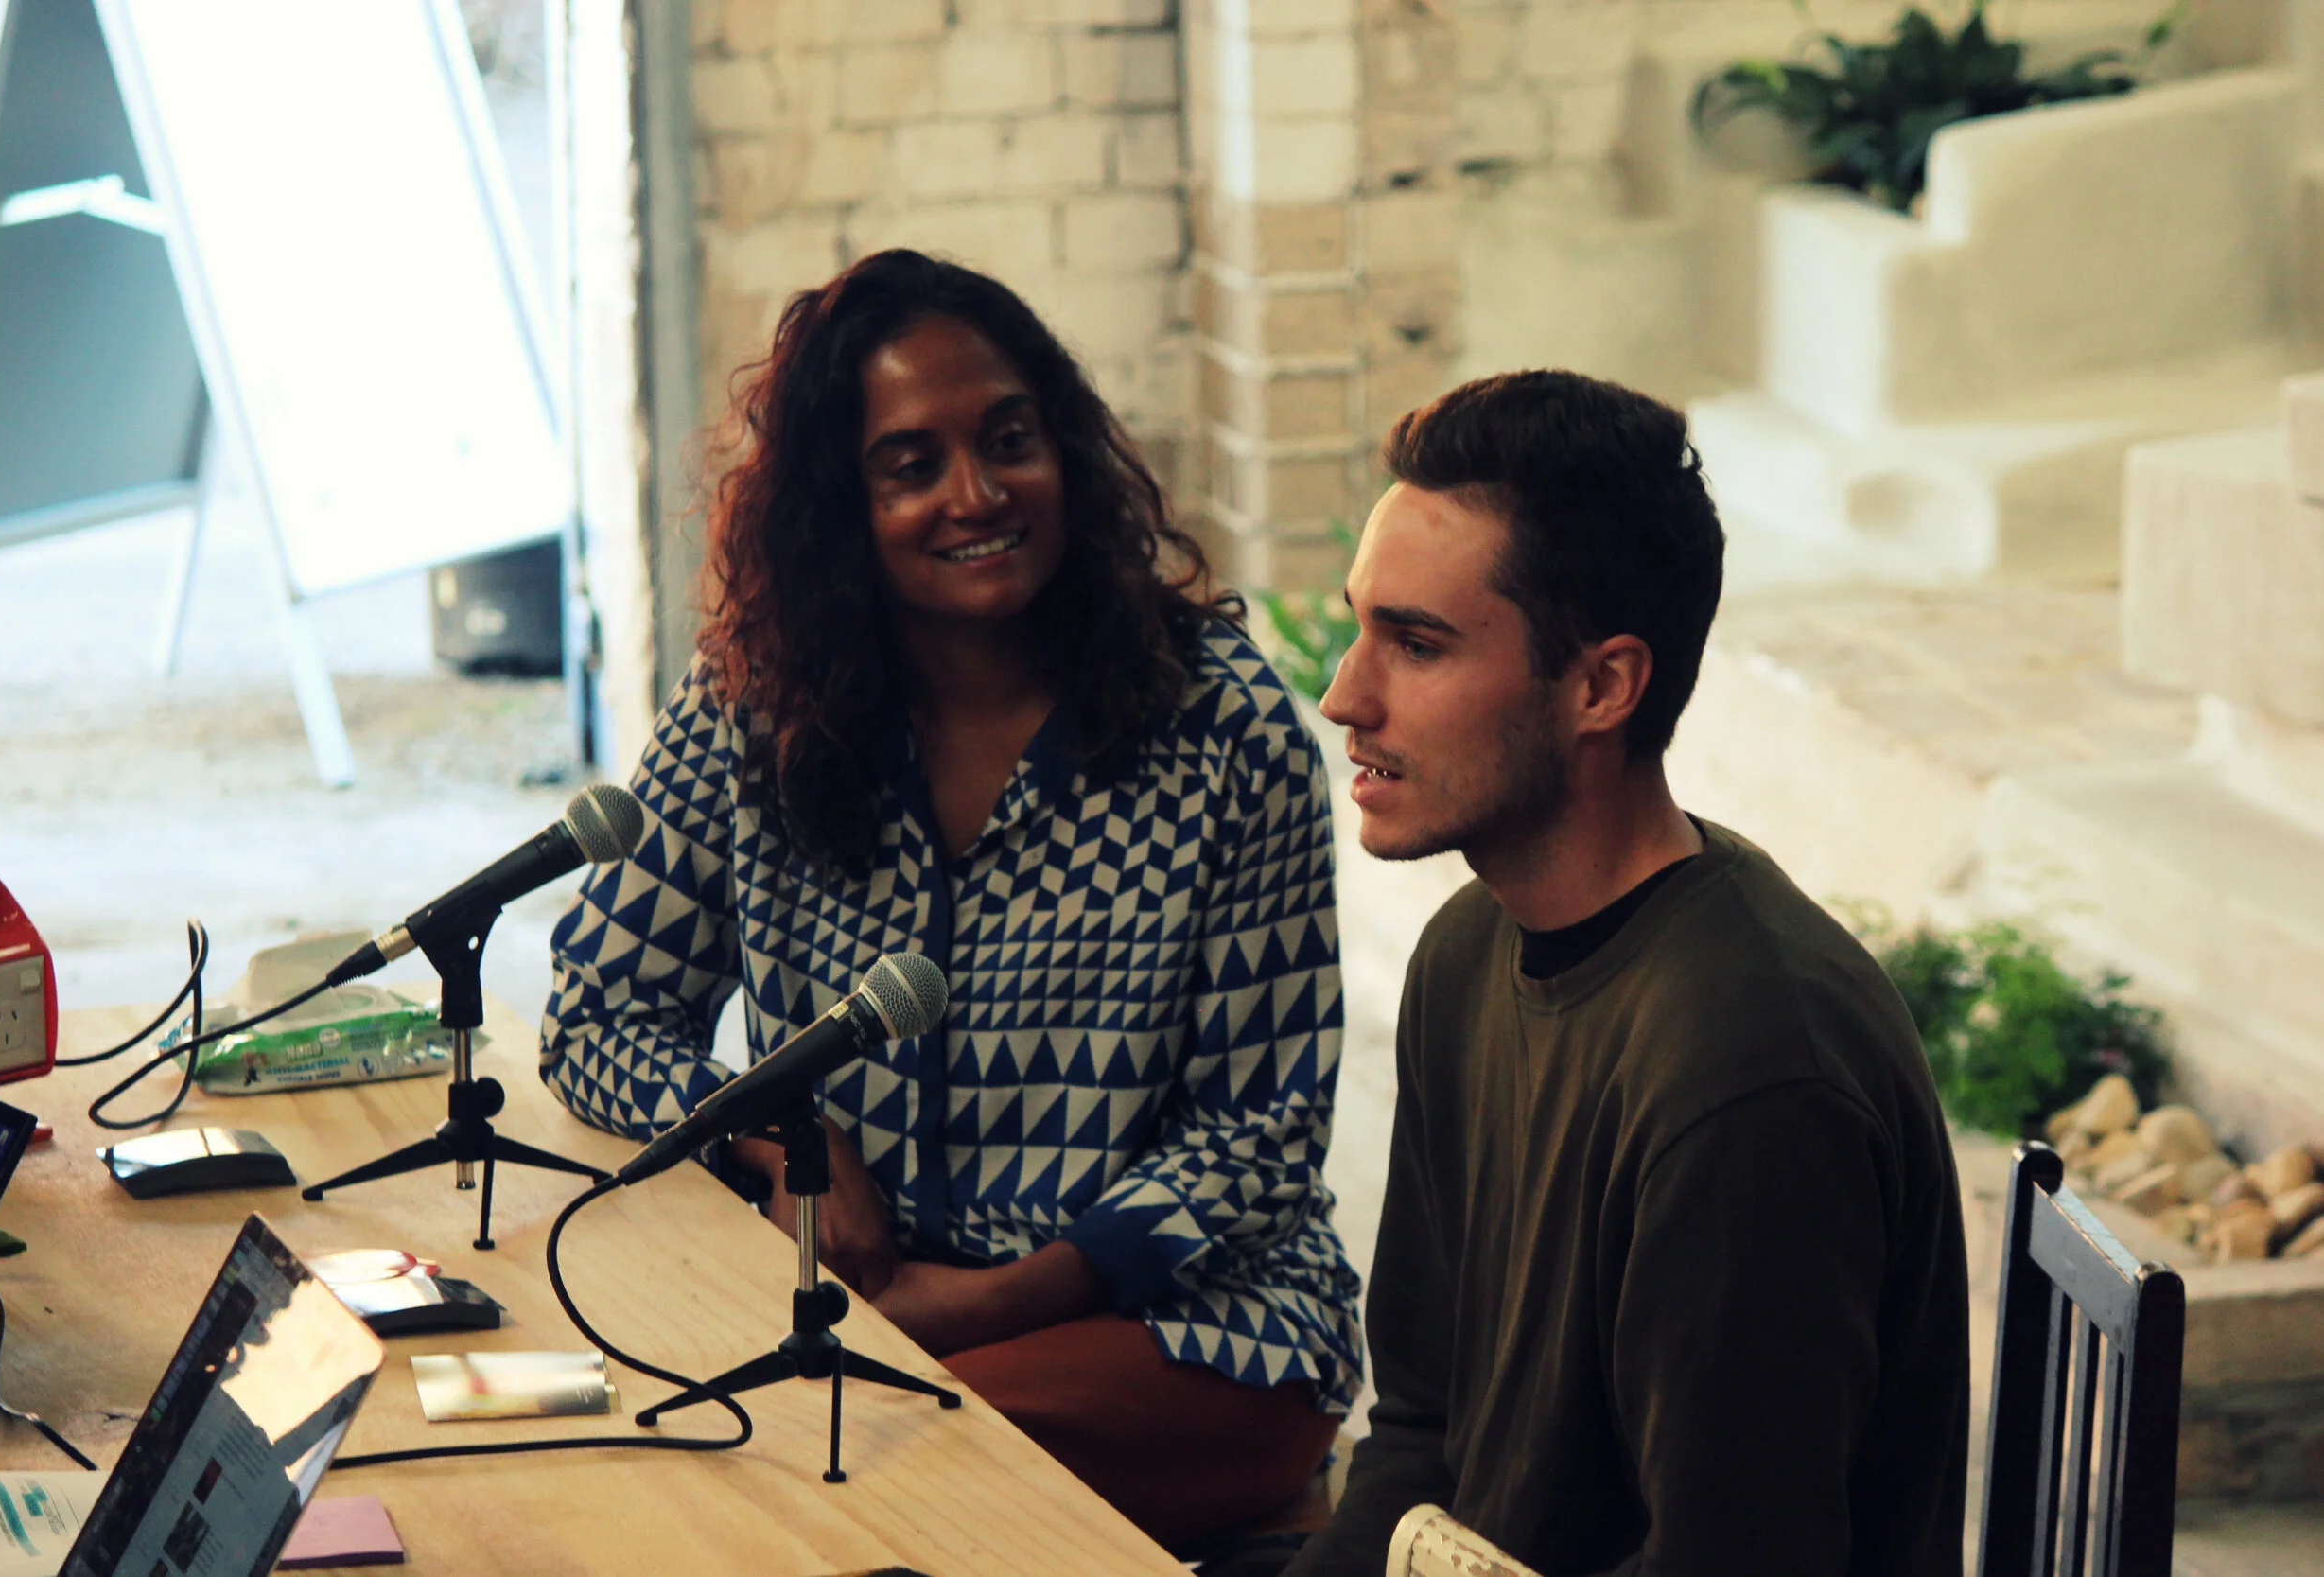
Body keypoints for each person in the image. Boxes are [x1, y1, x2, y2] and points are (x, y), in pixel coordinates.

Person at [539, 250, 1362, 1555]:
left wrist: (962, 1305)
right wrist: (778, 1127)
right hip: (852, 1308)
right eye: (910, 464)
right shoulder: (756, 710)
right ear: (838, 505)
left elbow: (1258, 1135)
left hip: (1183, 1326)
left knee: (823, 1455)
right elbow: (597, 1009)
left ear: (1068, 452)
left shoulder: (1223, 724)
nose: (976, 494)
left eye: (1009, 441)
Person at [1285, 372, 1969, 1577]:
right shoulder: (1465, 955)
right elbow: (1419, 1431)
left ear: (1602, 685)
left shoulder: (1748, 1077)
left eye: (1417, 642)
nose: (1345, 695)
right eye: (1359, 624)